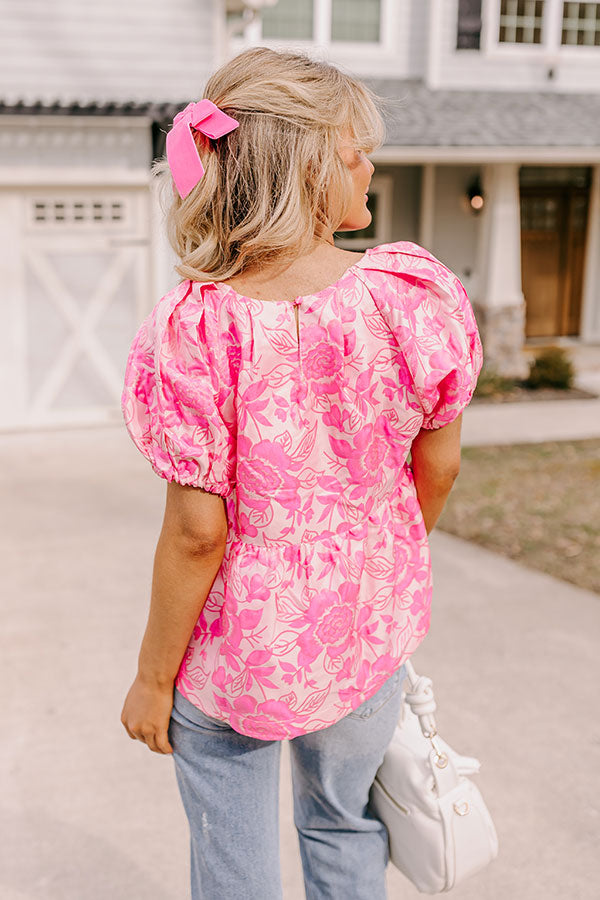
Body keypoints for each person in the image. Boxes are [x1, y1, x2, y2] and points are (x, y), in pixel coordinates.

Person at [120, 46, 483, 900]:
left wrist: (152, 679)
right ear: (311, 167)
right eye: (356, 152)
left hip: (237, 655)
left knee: (234, 865)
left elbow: (197, 533)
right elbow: (439, 466)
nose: (369, 168)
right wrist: (374, 555)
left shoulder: (195, 327)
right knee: (343, 823)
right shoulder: (409, 295)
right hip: (365, 629)